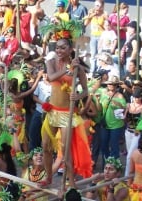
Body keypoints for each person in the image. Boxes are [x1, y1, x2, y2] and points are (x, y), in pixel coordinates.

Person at [41, 24, 92, 187]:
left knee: (65, 151)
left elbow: (86, 91)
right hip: (51, 111)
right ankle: (48, 177)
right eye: (57, 47)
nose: (59, 50)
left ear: (71, 50)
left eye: (63, 48)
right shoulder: (51, 61)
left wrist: (78, 95)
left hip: (67, 113)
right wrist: (67, 70)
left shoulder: (79, 69)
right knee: (45, 146)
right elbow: (50, 77)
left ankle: (71, 184)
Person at [123, 88, 142, 177]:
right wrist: (122, 116)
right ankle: (133, 174)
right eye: (135, 97)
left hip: (137, 134)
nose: (136, 99)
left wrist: (138, 129)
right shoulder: (129, 105)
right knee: (131, 155)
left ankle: (126, 177)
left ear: (141, 97)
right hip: (128, 132)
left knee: (129, 156)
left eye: (138, 97)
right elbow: (125, 117)